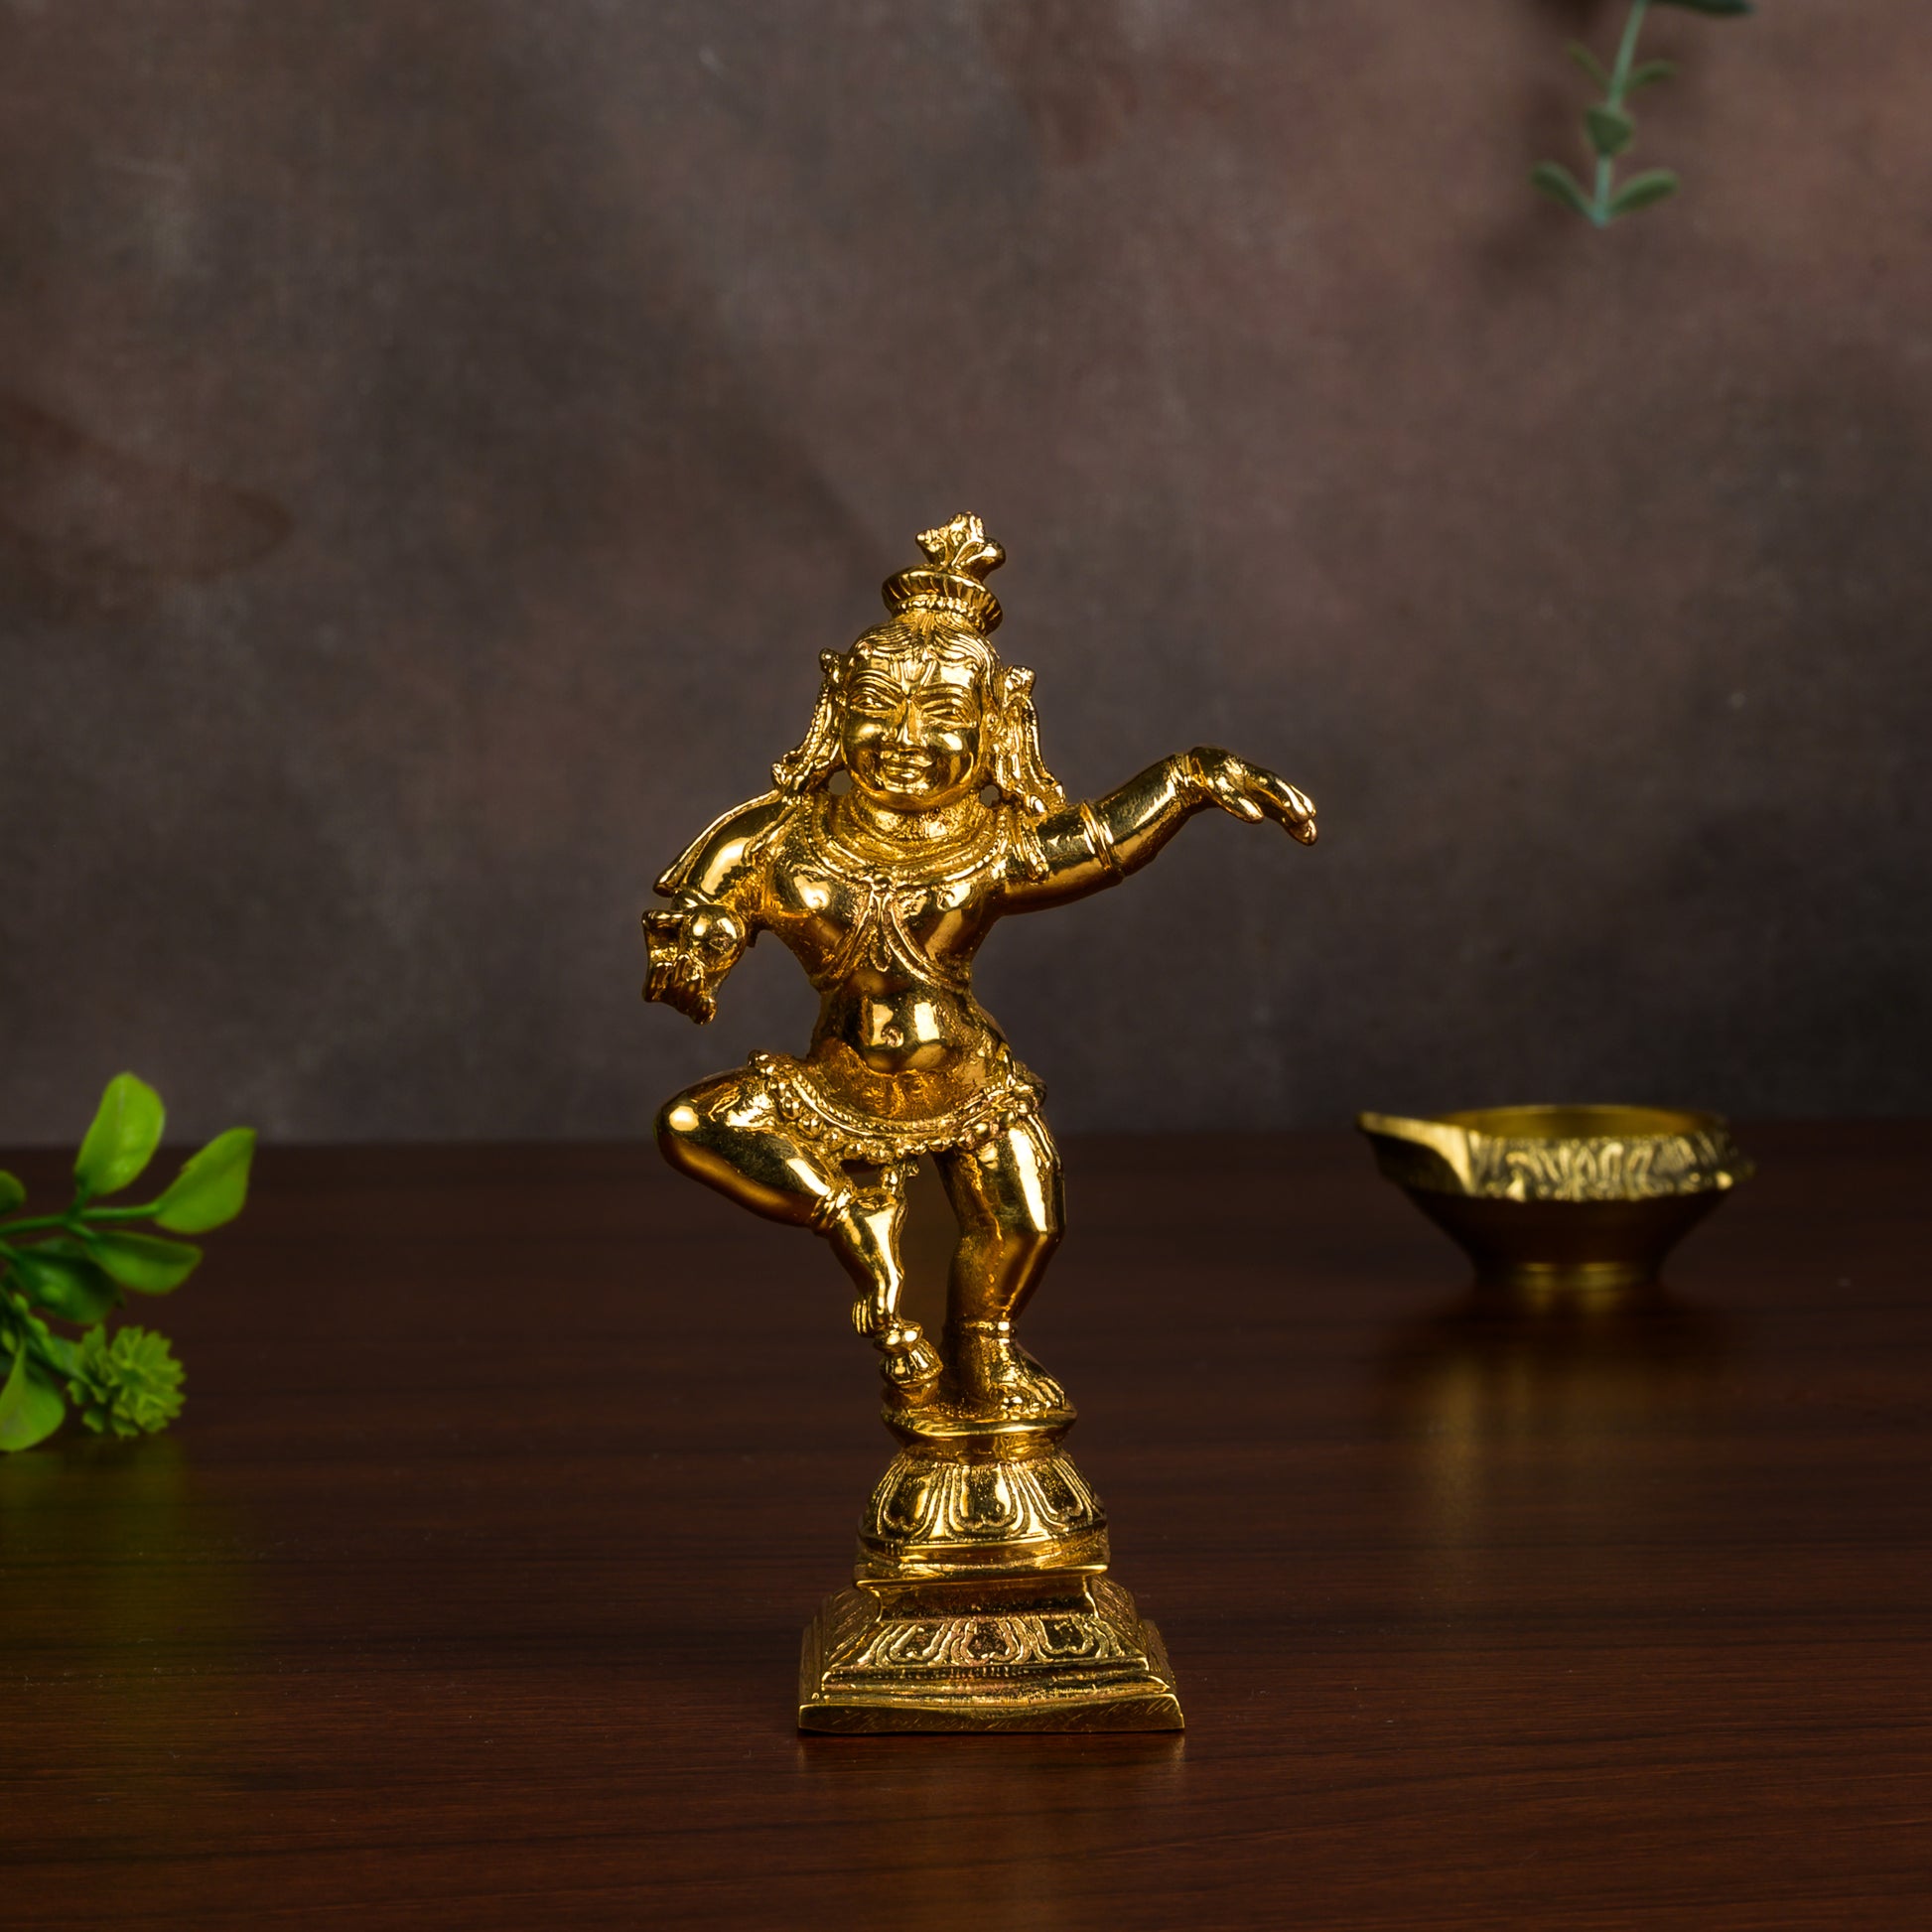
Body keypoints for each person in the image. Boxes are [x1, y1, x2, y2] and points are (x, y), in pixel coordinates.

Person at [644, 514, 1315, 1424]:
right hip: (836, 1080)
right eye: (877, 705)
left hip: (967, 1080)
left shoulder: (988, 844)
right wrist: (697, 949)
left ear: (999, 725)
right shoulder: (778, 839)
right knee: (691, 1123)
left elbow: (1097, 842)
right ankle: (851, 1217)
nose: (904, 736)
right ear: (835, 708)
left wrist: (1189, 778)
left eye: (944, 713)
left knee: (1028, 1221)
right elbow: (700, 912)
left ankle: (984, 1348)